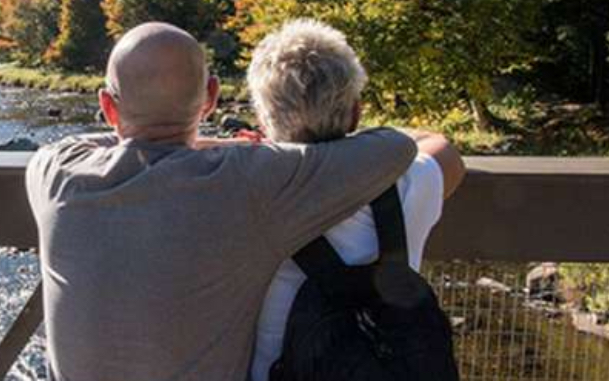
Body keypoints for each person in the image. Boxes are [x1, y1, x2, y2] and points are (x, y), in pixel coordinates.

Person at [25, 22, 418, 380]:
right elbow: (394, 148)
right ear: (211, 96)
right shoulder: (246, 182)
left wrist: (163, 140)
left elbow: (100, 143)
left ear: (108, 107)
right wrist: (229, 146)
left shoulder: (55, 174)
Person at [244, 19, 466, 381]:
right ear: (357, 112)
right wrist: (366, 142)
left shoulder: (244, 189)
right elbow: (444, 150)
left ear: (264, 119)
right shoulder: (404, 181)